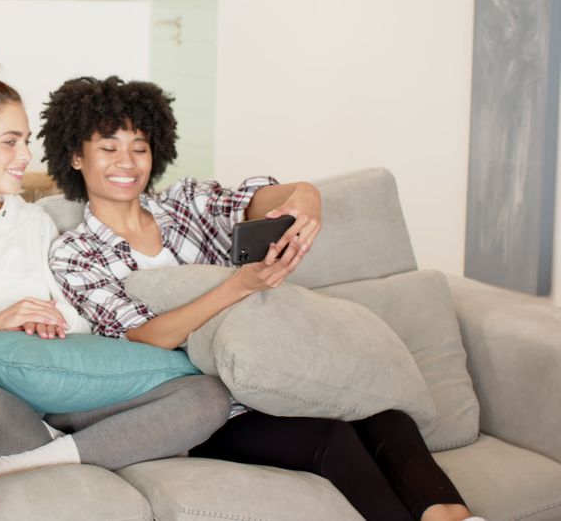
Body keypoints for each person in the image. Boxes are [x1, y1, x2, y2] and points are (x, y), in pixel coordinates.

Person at [41, 76, 480, 521]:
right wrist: (238, 287)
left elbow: (260, 200)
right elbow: (144, 337)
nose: (127, 162)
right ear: (76, 156)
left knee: (389, 420)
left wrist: (306, 196)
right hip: (198, 410)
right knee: (332, 440)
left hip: (280, 379)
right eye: (108, 147)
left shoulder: (187, 204)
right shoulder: (75, 253)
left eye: (139, 146)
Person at [0, 48, 233, 479]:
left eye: (26, 141)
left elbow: (80, 326)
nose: (25, 157)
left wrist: (52, 323)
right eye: (9, 142)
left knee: (207, 394)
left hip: (63, 402)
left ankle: (38, 460)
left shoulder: (34, 222)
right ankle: (98, 449)